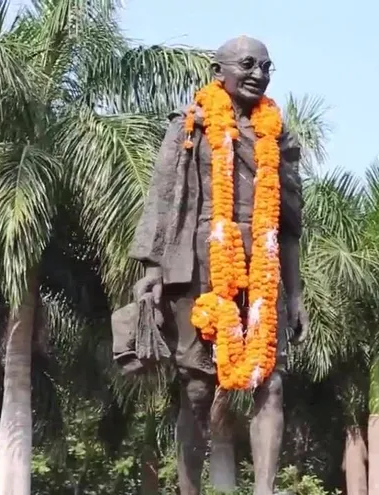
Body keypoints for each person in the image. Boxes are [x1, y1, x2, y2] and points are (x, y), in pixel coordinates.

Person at [126, 35, 309, 495]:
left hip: (262, 263)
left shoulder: (277, 134)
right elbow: (164, 200)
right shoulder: (192, 123)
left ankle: (265, 490)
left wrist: (296, 293)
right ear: (218, 70)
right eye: (248, 64)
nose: (258, 74)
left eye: (267, 67)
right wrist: (152, 270)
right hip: (204, 262)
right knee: (196, 389)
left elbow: (289, 223)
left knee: (272, 382)